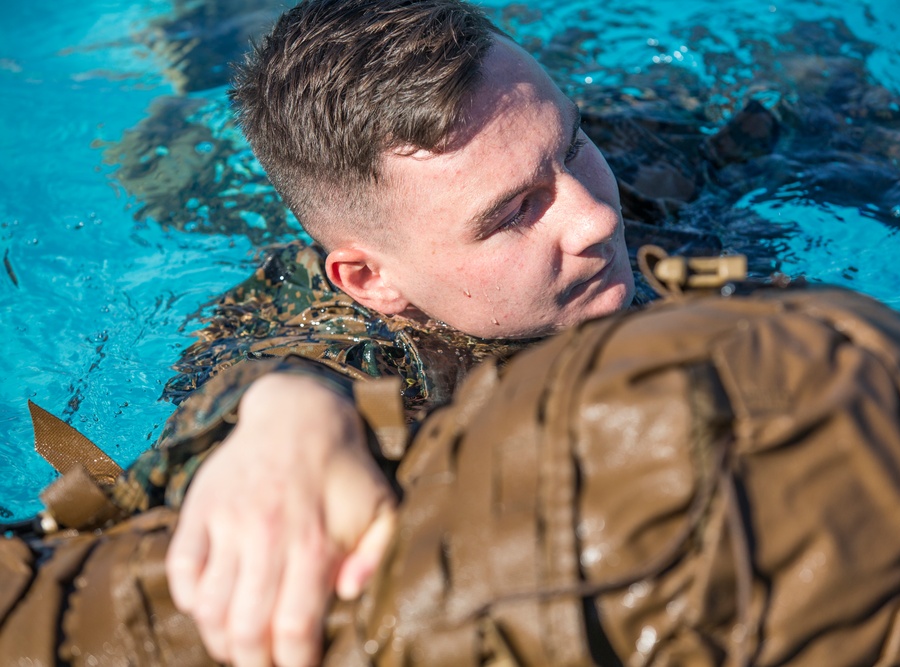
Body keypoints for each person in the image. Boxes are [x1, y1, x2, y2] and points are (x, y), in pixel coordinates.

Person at [160, 2, 647, 666]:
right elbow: (254, 377)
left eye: (573, 142)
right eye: (514, 211)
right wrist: (287, 417)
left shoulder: (637, 162)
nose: (595, 216)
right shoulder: (329, 329)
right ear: (369, 280)